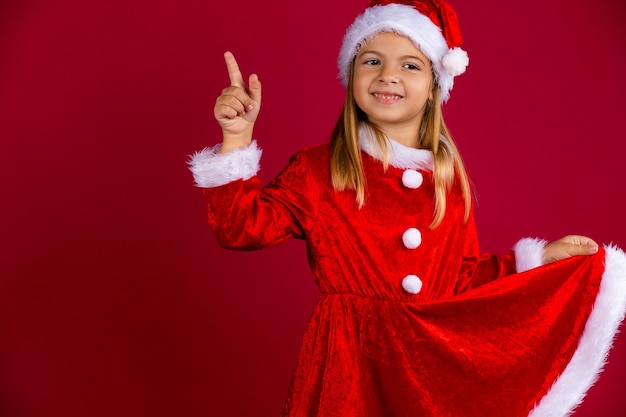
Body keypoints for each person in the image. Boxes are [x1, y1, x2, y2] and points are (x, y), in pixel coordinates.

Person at [189, 1, 626, 416]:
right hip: (349, 367)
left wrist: (535, 262)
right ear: (351, 74)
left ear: (436, 85)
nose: (388, 75)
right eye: (372, 60)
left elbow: (461, 280)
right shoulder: (319, 169)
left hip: (426, 372)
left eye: (410, 64)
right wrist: (236, 138)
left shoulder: (448, 184)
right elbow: (239, 228)